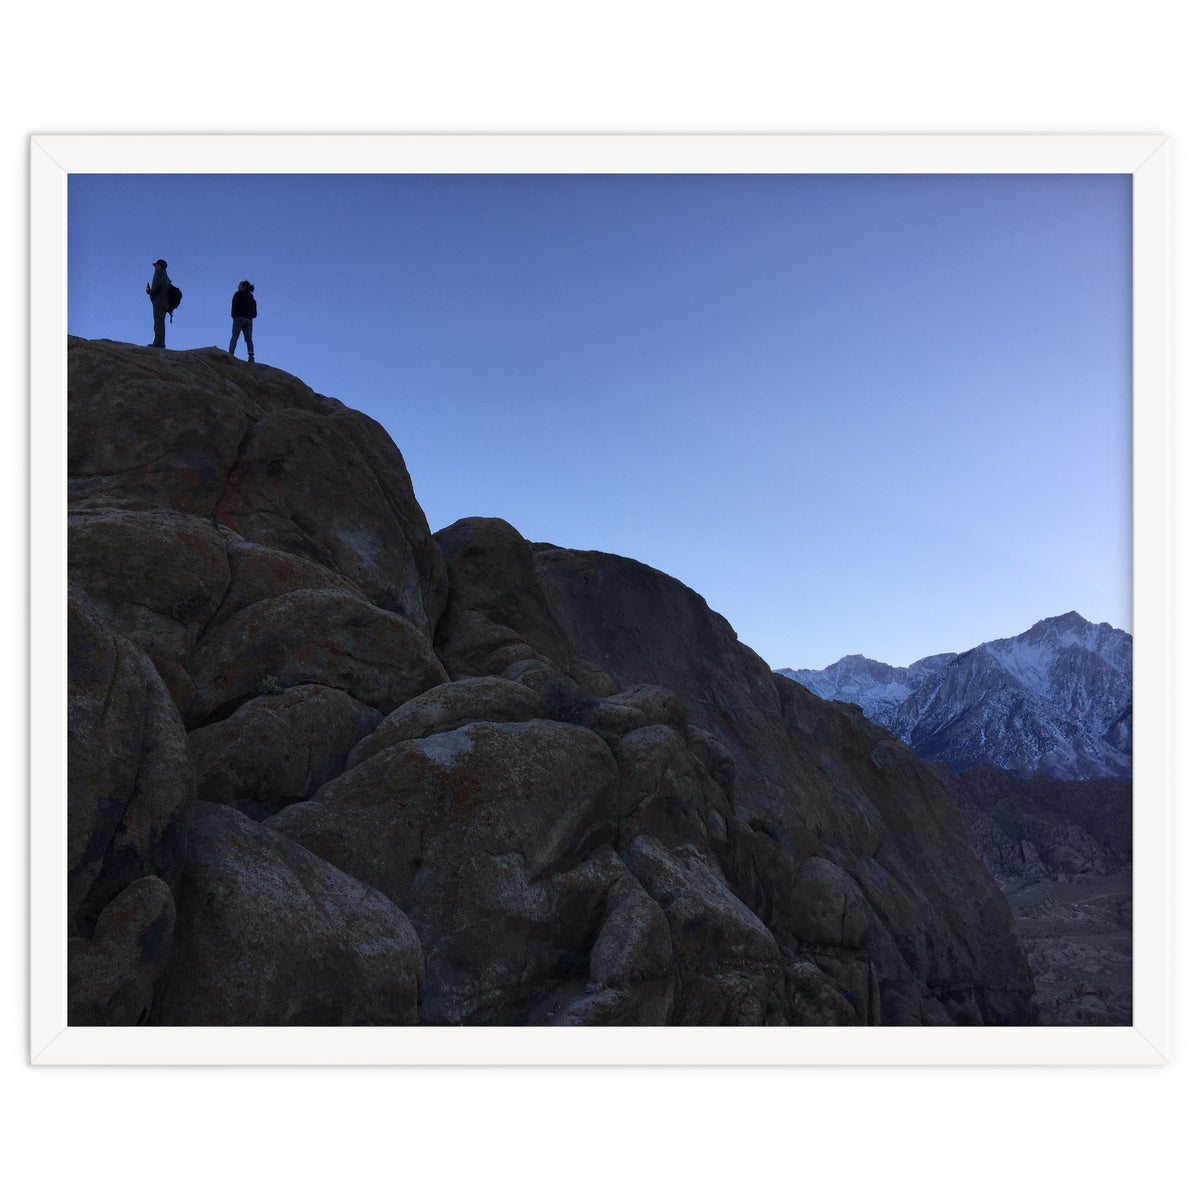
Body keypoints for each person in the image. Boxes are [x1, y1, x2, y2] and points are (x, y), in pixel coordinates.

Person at [229, 280, 257, 362]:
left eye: (239, 285)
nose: (238, 287)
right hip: (249, 320)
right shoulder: (252, 298)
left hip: (238, 318)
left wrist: (234, 315)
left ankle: (231, 354)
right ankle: (251, 356)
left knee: (235, 336)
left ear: (243, 287)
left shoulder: (238, 294)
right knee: (249, 339)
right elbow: (255, 314)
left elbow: (234, 307)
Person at [146, 258, 171, 347]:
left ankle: (158, 343)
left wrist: (152, 293)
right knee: (159, 321)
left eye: (156, 265)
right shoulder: (166, 277)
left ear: (159, 265)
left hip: (159, 300)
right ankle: (160, 342)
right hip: (164, 301)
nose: (155, 267)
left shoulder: (160, 273)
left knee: (158, 322)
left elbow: (159, 285)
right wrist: (151, 292)